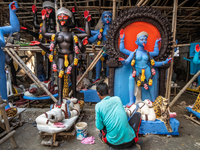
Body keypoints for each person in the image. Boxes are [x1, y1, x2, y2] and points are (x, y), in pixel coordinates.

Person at [95, 82, 140, 149]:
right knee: (137, 115)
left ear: (98, 93)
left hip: (114, 144)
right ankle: (132, 137)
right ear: (109, 91)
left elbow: (99, 126)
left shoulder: (98, 106)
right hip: (130, 142)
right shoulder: (117, 99)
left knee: (101, 128)